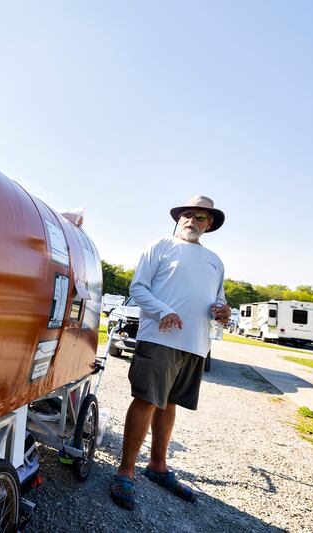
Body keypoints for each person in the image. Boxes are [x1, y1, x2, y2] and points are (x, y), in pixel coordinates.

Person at [110, 195, 231, 510]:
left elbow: (218, 299)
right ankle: (125, 471)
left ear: (209, 224)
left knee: (170, 403)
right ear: (179, 219)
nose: (193, 220)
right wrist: (162, 310)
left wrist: (223, 310)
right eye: (188, 214)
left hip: (195, 343)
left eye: (201, 217)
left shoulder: (215, 261)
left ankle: (158, 466)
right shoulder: (160, 246)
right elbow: (138, 288)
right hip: (160, 338)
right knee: (147, 400)